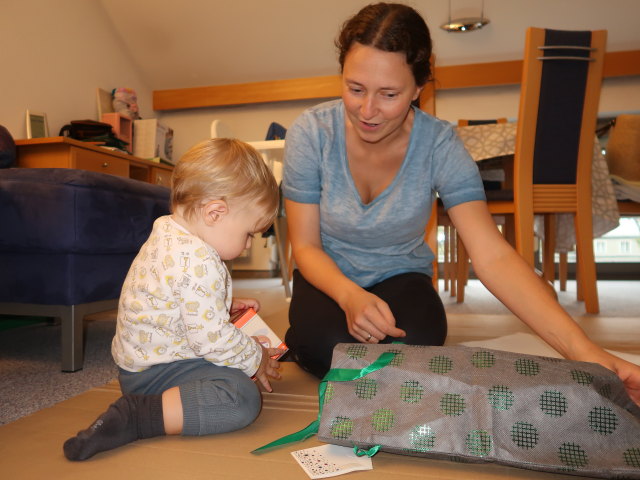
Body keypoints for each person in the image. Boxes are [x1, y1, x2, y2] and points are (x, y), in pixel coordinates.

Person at [282, 2, 640, 405]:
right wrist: (349, 296)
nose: (368, 111)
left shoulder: (440, 144)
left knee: (420, 341)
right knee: (328, 345)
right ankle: (309, 333)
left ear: (419, 87)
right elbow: (306, 247)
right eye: (355, 89)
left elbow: (492, 256)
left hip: (400, 274)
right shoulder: (311, 134)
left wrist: (585, 351)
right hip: (328, 276)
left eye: (389, 94)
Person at [63, 138, 284, 461]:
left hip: (143, 364)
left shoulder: (169, 230)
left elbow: (175, 296)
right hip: (156, 375)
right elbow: (212, 339)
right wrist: (257, 357)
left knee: (232, 366)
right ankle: (138, 416)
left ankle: (153, 404)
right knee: (241, 397)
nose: (249, 245)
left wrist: (221, 303)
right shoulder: (199, 260)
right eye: (249, 234)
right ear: (215, 213)